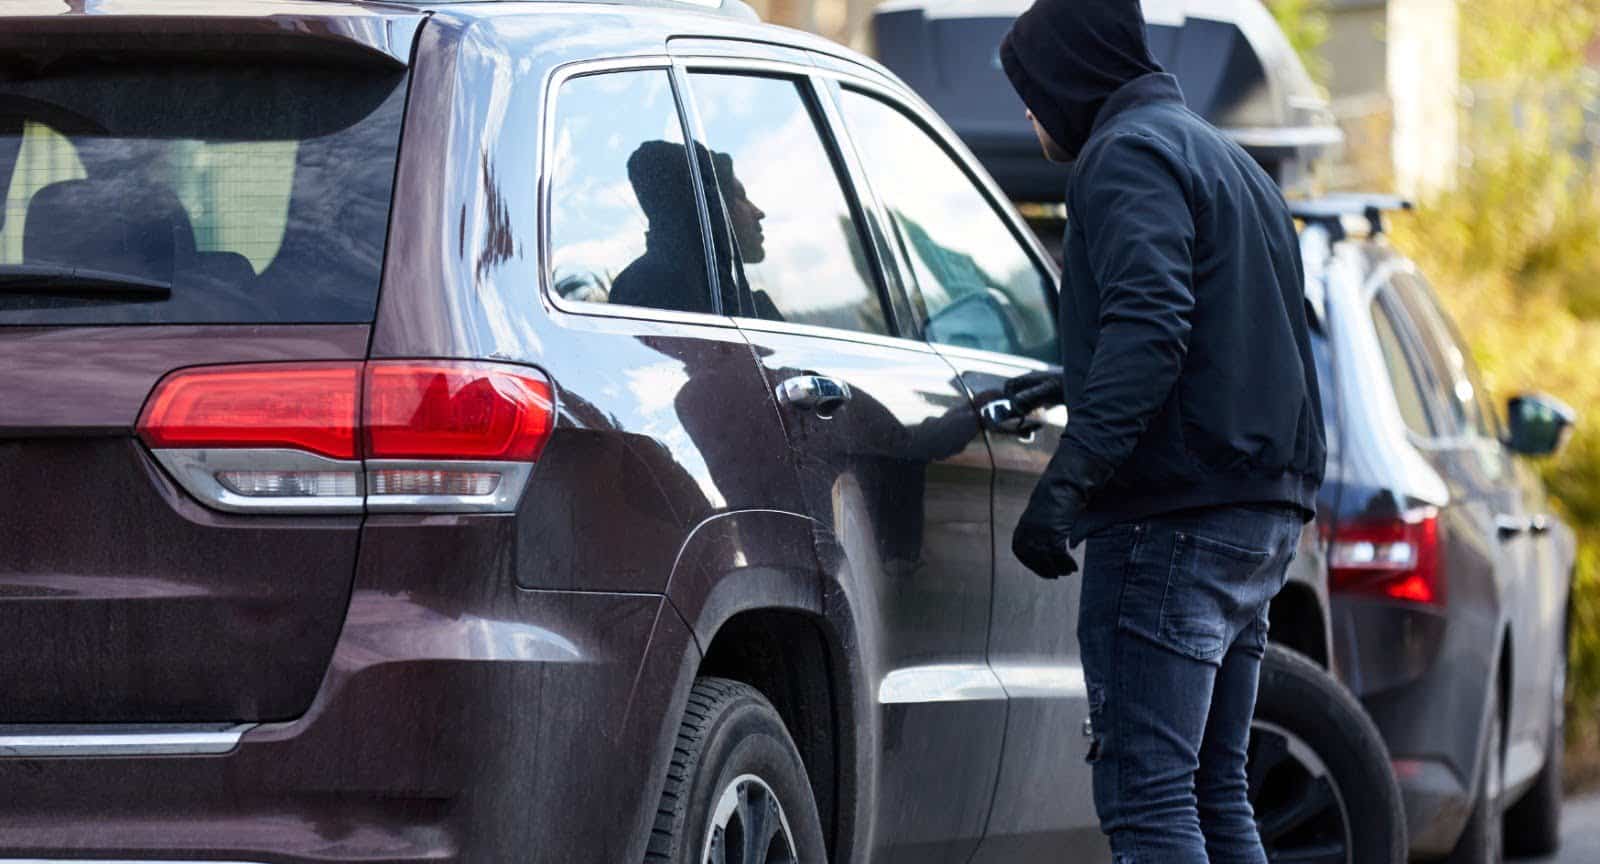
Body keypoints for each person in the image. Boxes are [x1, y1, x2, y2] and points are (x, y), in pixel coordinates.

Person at [997, 1, 1326, 862]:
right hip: (1257, 516)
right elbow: (1235, 336)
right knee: (1217, 794)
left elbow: (1153, 326)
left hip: (1170, 525)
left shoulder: (1123, 155)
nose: (1029, 115)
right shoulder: (1232, 165)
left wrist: (1067, 483)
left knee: (1148, 800)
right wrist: (1077, 378)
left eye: (1032, 92)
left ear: (1070, 76)